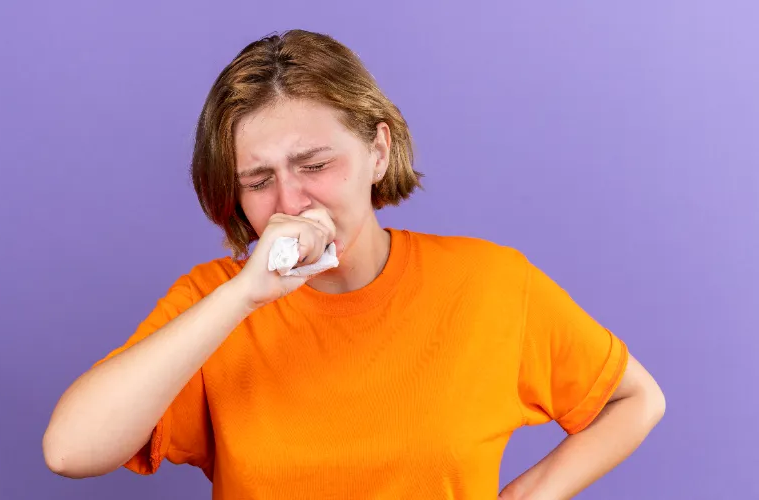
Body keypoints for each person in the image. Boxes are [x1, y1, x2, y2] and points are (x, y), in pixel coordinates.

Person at [42, 29, 665, 499]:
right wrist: (245, 296)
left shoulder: (491, 283)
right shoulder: (213, 302)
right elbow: (70, 450)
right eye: (259, 180)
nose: (291, 201)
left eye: (314, 164)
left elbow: (636, 399)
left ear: (377, 149)